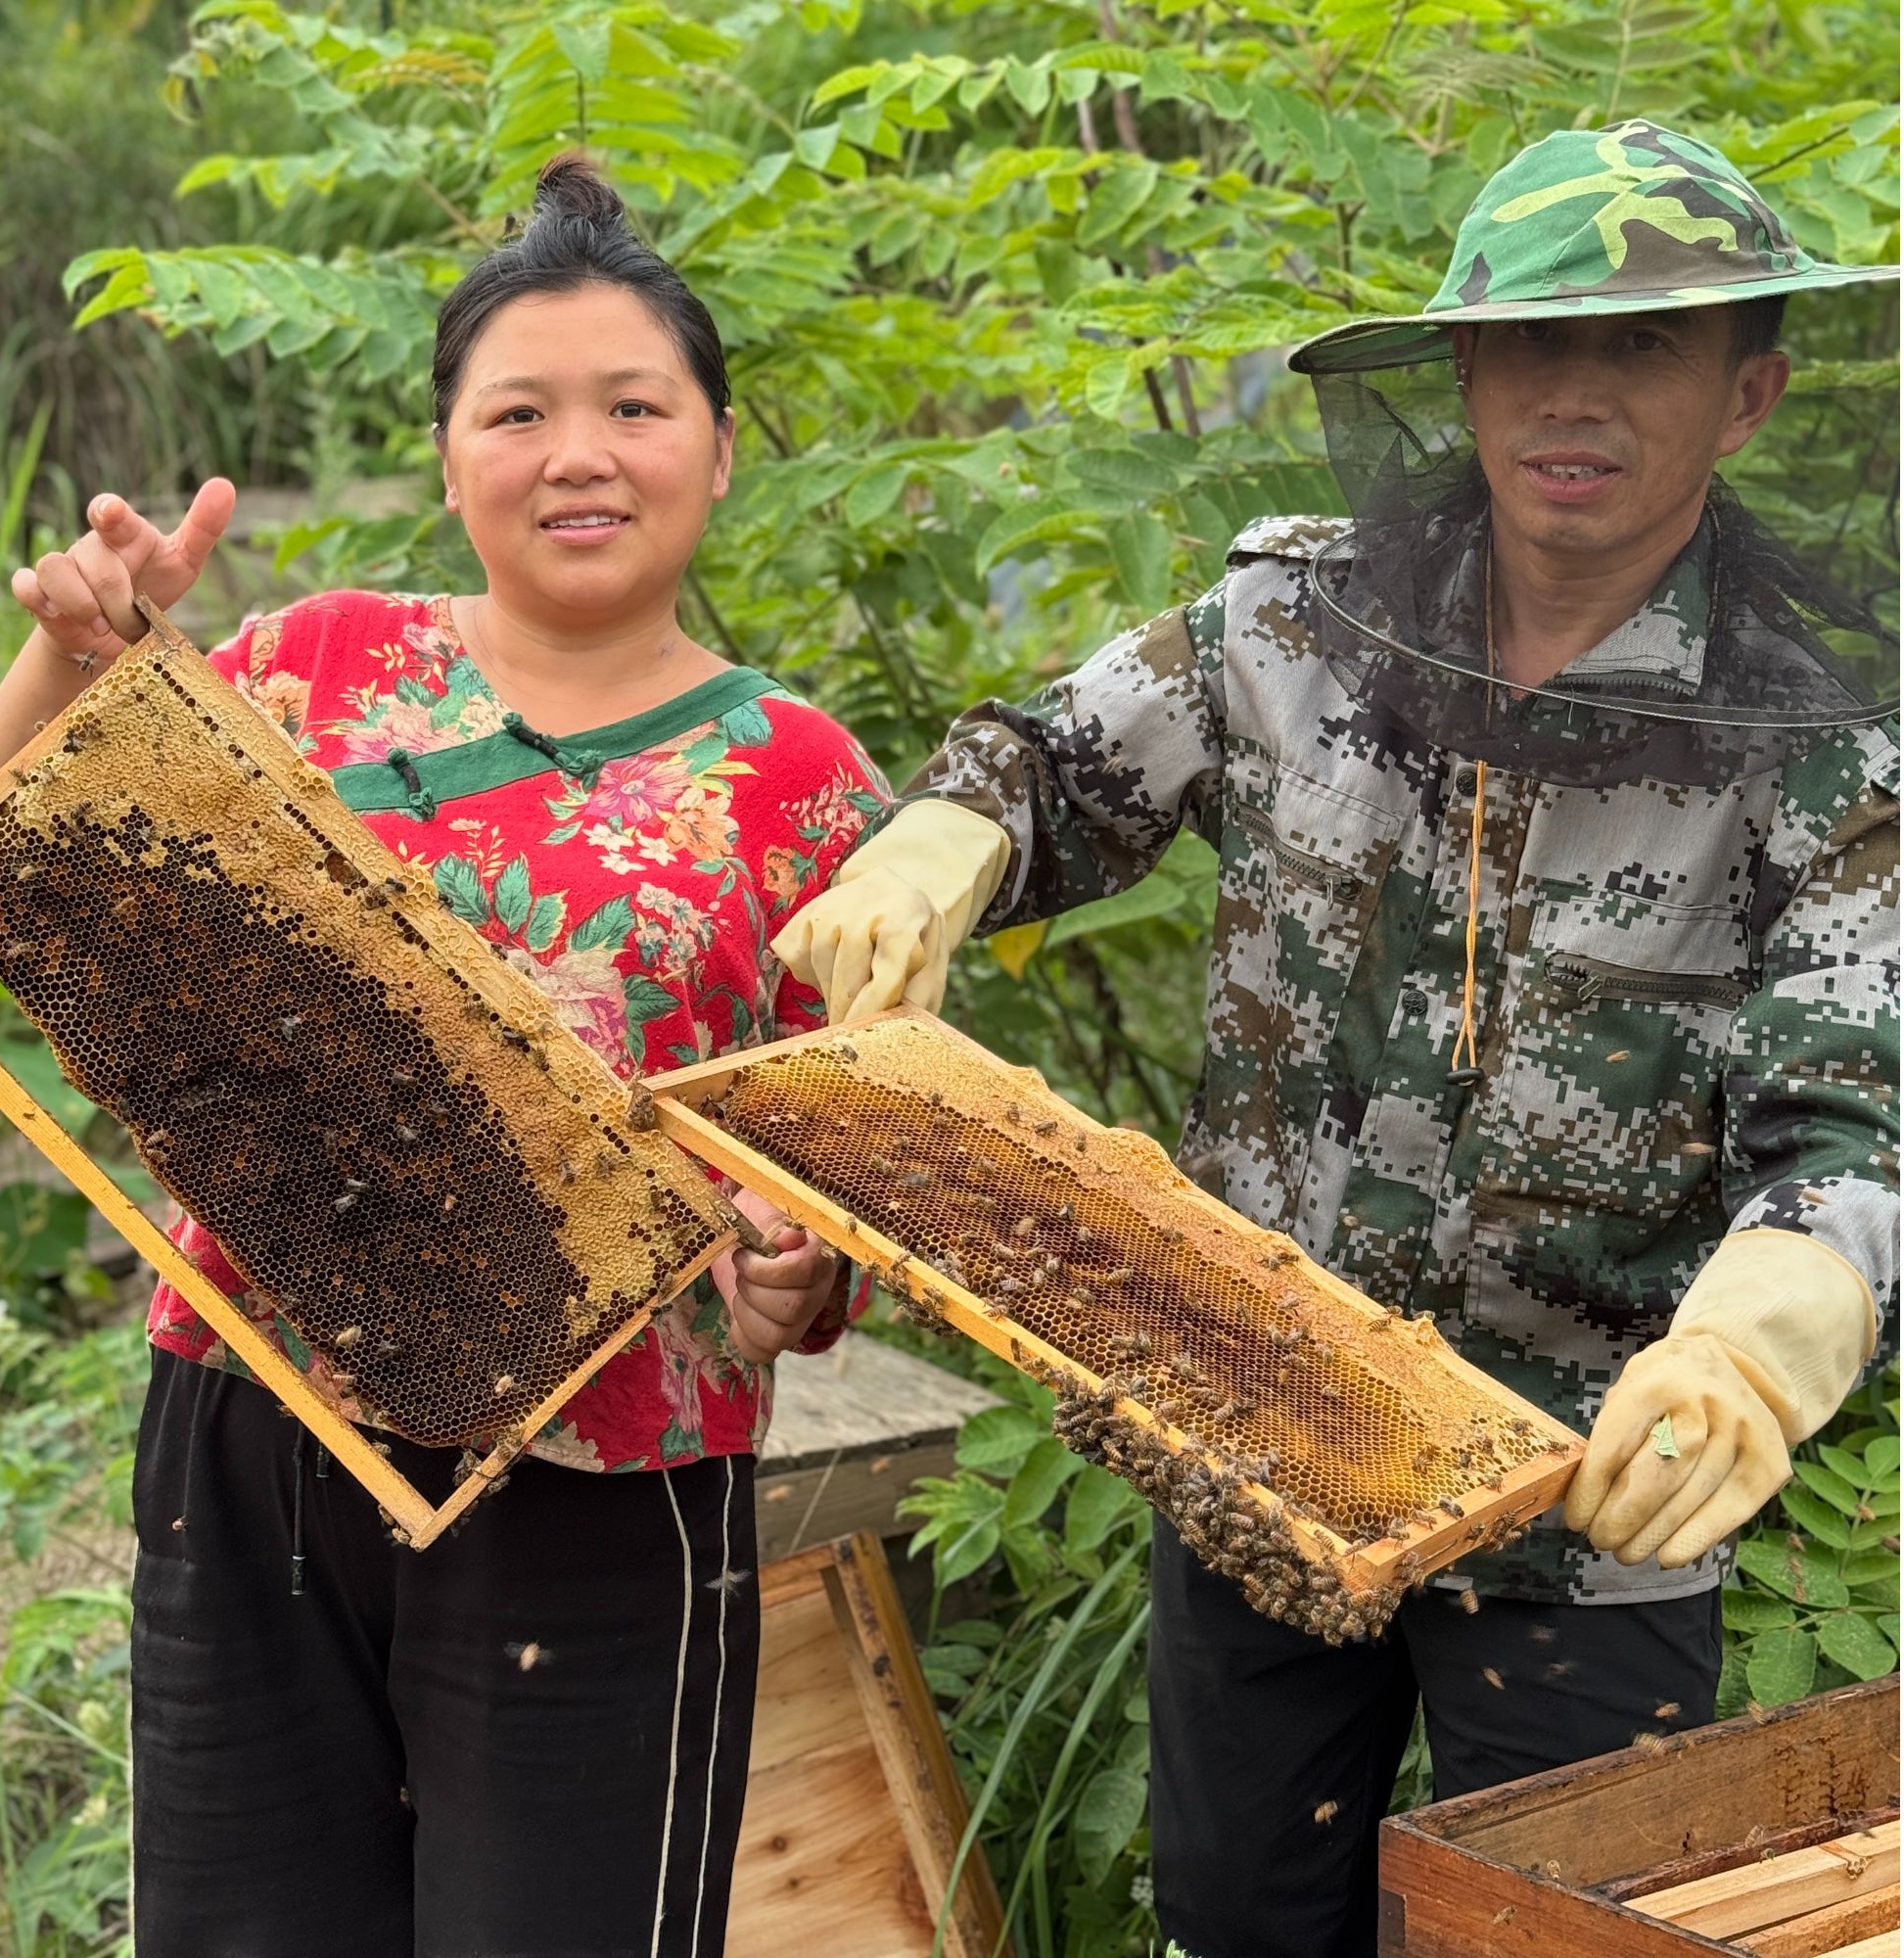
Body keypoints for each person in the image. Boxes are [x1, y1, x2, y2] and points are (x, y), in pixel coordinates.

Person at [774, 119, 1899, 1957]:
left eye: (1645, 345)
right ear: (1460, 369)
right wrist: (942, 840)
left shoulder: (1822, 745)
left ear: (1750, 394)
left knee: (1565, 1938)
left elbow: (1855, 1133)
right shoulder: (1289, 619)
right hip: (1261, 1453)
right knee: (1239, 1920)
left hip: (1591, 1519)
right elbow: (1056, 763)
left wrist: (1759, 1356)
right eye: (1536, 337)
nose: (1578, 390)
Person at [0, 154, 887, 1957]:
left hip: (614, 1472)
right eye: (518, 410)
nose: (577, 453)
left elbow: (845, 1175)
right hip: (257, 1424)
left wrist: (801, 1279)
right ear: (452, 450)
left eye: (634, 405)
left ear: (720, 442)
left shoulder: (808, 780)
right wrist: (66, 669)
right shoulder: (311, 668)